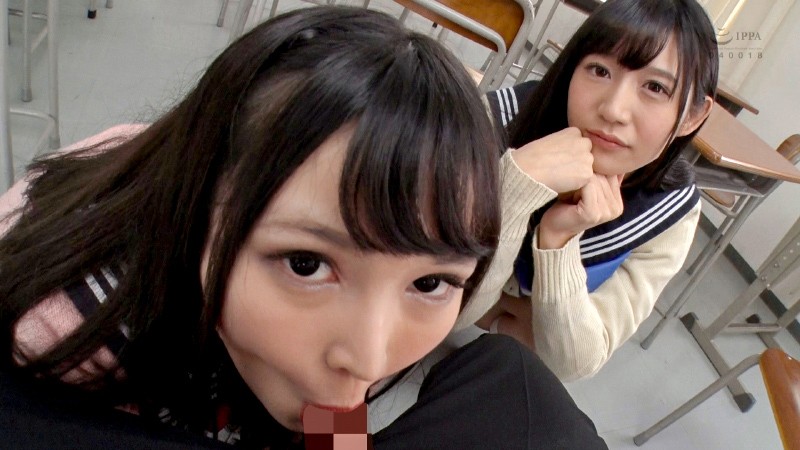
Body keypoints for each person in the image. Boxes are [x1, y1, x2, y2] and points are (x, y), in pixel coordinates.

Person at [0, 6, 607, 450]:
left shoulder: (331, 336)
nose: (368, 356)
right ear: (201, 204)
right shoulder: (64, 331)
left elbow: (335, 416)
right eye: (306, 265)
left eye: (430, 283)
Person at [456, 0, 718, 382]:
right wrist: (513, 191)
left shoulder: (669, 211)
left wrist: (559, 242)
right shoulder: (495, 122)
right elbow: (450, 310)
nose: (613, 110)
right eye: (599, 70)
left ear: (692, 116)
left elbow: (573, 363)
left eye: (655, 87)